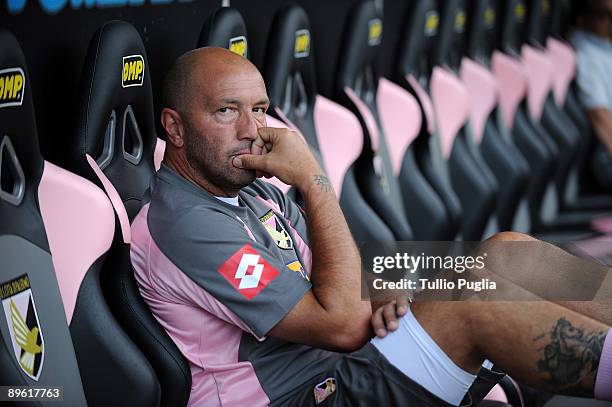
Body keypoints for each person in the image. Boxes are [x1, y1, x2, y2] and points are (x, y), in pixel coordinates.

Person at [130, 47, 612, 406]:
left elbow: (348, 278)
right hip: (296, 396)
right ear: (174, 128)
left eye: (258, 109)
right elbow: (342, 324)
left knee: (507, 254)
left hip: (343, 369)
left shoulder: (251, 189)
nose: (251, 129)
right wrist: (314, 179)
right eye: (225, 111)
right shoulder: (184, 221)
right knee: (473, 302)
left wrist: (389, 295)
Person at [571, 0, 612, 188]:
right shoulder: (588, 54)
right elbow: (599, 116)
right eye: (605, 17)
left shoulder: (605, 46)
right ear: (583, 19)